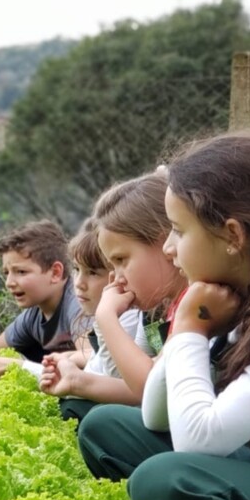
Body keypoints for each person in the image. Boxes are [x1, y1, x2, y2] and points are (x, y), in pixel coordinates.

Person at [78, 131, 250, 500]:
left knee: (167, 483)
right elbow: (155, 414)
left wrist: (187, 329)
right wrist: (198, 329)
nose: (168, 248)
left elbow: (199, 439)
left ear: (233, 236)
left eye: (179, 232)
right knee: (105, 426)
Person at [88, 170, 187, 398]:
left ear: (165, 242)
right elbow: (125, 377)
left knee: (101, 421)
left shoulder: (197, 299)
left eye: (121, 260)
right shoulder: (162, 308)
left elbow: (148, 387)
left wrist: (106, 318)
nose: (118, 277)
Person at [39, 217, 148, 421]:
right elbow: (98, 368)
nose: (79, 283)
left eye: (93, 273)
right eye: (77, 269)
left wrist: (105, 317)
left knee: (80, 413)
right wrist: (72, 359)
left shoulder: (129, 314)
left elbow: (121, 381)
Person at [0, 219, 83, 379]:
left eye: (21, 272)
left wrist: (22, 367)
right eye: (6, 273)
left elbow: (92, 360)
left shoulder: (78, 303)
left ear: (55, 273)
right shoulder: (33, 314)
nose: (9, 282)